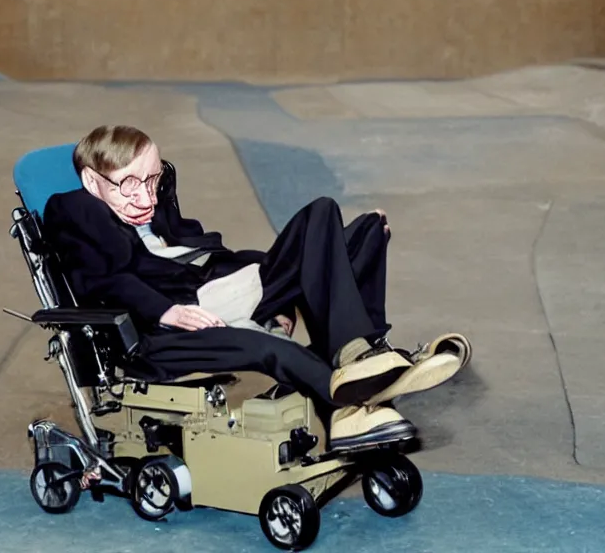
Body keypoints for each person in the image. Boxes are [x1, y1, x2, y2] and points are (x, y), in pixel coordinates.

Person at [43, 125, 470, 452]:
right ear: (92, 181)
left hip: (217, 287)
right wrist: (165, 312)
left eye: (152, 180)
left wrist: (274, 282)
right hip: (180, 313)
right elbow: (102, 279)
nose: (145, 197)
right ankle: (358, 369)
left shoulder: (152, 208)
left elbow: (206, 253)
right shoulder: (76, 208)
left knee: (365, 231)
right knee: (321, 218)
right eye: (129, 183)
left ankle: (363, 355)